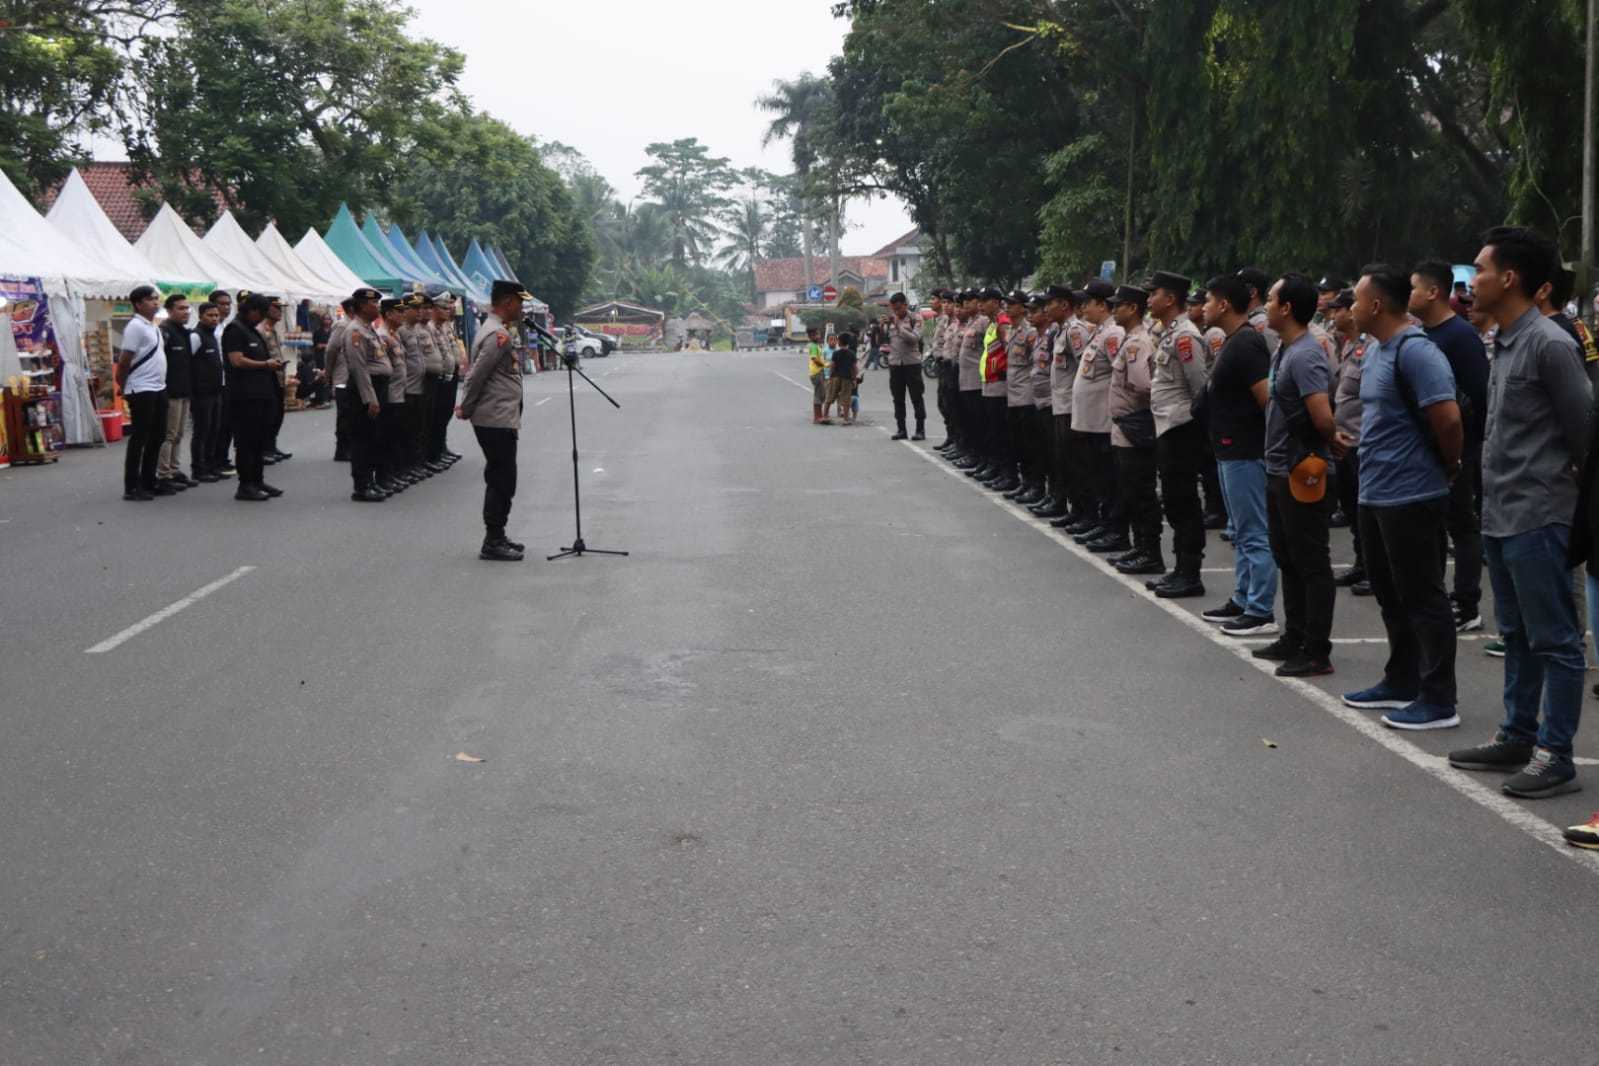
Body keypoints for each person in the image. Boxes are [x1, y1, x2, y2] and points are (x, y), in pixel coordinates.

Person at [1449, 226, 1592, 798]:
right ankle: (1518, 733)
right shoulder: (1504, 341)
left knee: (1555, 639)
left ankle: (1555, 753)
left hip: (1539, 512)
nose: (1471, 279)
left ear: (1509, 278)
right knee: (1515, 632)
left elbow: (1585, 430)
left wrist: (1568, 499)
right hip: (1502, 512)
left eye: (1479, 269)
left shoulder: (1550, 343)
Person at [1337, 264, 1465, 732]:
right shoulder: (1375, 350)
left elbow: (1448, 420)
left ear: (1375, 305)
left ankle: (1439, 697)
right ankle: (1402, 678)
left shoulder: (1416, 352)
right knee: (1390, 594)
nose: (1349, 307)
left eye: (1355, 299)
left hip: (1412, 493)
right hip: (1375, 491)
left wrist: (1449, 467)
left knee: (1423, 597)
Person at [1257, 272, 1338, 677]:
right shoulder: (1284, 349)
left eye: (1270, 299)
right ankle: (1295, 634)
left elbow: (1322, 416)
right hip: (1277, 467)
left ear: (1287, 308)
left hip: (1300, 469)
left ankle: (1316, 649)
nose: (1266, 305)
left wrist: (1328, 443)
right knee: (1287, 555)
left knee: (1310, 560)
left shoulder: (1306, 353)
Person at [1198, 274, 1278, 636]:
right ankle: (1243, 598)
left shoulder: (1247, 343)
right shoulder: (1232, 341)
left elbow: (1267, 401)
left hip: (1246, 451)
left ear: (1225, 304)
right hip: (1229, 450)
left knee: (1254, 532)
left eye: (1209, 300)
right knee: (1242, 532)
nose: (1204, 307)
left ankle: (1260, 610)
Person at [1411, 259, 1489, 632]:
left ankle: (1467, 604)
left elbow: (1478, 394)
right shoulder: (1421, 335)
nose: (1407, 295)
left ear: (1433, 292)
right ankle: (1436, 598)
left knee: (1461, 523)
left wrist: (1463, 448)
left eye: (1413, 288)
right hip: (1426, 448)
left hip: (1459, 447)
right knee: (1432, 526)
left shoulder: (1460, 336)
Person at [1147, 271, 1210, 597]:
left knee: (1183, 501)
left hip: (1181, 427)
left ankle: (1190, 572)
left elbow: (1199, 388)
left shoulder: (1186, 336)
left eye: (1153, 293)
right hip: (1168, 426)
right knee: (1172, 499)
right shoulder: (1170, 333)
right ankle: (1179, 569)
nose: (1148, 300)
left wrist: (1193, 430)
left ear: (1170, 298)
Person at [459, 281, 530, 561]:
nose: (522, 309)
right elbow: (476, 374)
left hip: (500, 416)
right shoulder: (495, 334)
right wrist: (465, 407)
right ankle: (492, 540)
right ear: (508, 302)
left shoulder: (496, 330)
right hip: (494, 418)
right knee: (502, 478)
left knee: (503, 477)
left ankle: (498, 535)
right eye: (520, 303)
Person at [1106, 284, 1160, 572]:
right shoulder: (1130, 339)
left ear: (1133, 309)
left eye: (1119, 305)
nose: (1114, 310)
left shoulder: (1138, 342)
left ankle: (1150, 553)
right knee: (1131, 490)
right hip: (1126, 425)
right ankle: (1140, 547)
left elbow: (1141, 385)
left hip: (1134, 424)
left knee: (1140, 492)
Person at [1072, 279, 1125, 551]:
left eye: (1088, 303)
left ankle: (1114, 530)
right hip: (1091, 422)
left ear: (1102, 305)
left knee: (1108, 478)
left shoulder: (1113, 334)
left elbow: (1120, 374)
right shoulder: (1099, 332)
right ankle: (1103, 525)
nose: (1083, 309)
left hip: (1103, 422)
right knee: (1098, 477)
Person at [1327, 290, 1371, 595]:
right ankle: (1361, 563)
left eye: (1338, 309)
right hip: (1344, 439)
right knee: (1352, 508)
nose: (1333, 315)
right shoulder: (1349, 346)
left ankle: (1373, 569)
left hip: (1361, 440)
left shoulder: (1369, 348)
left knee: (1365, 510)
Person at [222, 295, 283, 501]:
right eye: (261, 314)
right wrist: (266, 364)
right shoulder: (235, 330)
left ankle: (257, 480)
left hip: (260, 394)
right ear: (252, 310)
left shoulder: (251, 330)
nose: (261, 318)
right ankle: (245, 484)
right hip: (244, 396)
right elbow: (237, 361)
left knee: (259, 441)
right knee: (246, 442)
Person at [1038, 285, 1086, 524]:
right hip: (1059, 404)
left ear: (1065, 305)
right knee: (1061, 459)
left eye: (1051, 303)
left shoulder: (1075, 331)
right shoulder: (1059, 331)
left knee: (1073, 461)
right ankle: (1064, 504)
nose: (1046, 307)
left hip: (1070, 406)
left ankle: (1078, 510)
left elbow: (1084, 369)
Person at [117, 285, 168, 501]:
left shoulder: (153, 326)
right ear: (138, 304)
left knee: (158, 436)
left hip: (158, 387)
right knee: (140, 437)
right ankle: (132, 486)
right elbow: (124, 360)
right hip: (141, 388)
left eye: (157, 299)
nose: (156, 302)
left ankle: (149, 480)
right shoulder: (135, 327)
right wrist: (124, 385)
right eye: (150, 299)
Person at [342, 288, 390, 502]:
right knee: (362, 440)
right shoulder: (355, 331)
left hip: (377, 387)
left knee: (374, 438)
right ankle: (361, 486)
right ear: (362, 306)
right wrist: (370, 398)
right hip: (365, 390)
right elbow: (359, 368)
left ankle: (369, 481)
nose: (378, 307)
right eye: (374, 304)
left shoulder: (368, 329)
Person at [1189, 288, 1229, 529]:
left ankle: (1217, 509)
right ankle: (1213, 507)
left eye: (1200, 303)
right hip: (1208, 401)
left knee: (1211, 463)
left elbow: (1210, 368)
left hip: (1212, 402)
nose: (1196, 308)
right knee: (1206, 463)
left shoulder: (1214, 333)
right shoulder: (1202, 331)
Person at [1001, 291, 1039, 499]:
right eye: (1007, 303)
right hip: (1013, 393)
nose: (1008, 306)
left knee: (1029, 444)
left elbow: (1036, 363)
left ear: (1023, 308)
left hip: (1026, 394)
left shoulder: (1029, 332)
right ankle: (1024, 482)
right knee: (1017, 442)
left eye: (1013, 303)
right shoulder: (1011, 330)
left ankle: (1034, 485)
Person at [156, 294, 196, 490]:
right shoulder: (165, 332)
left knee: (179, 433)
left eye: (187, 308)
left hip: (184, 390)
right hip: (170, 392)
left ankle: (173, 469)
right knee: (169, 434)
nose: (186, 312)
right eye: (181, 308)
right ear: (170, 311)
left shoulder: (184, 332)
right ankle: (163, 474)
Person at [189, 302, 225, 482]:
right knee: (202, 430)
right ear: (201, 316)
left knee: (214, 429)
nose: (214, 319)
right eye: (210, 315)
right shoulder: (196, 336)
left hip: (216, 391)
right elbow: (188, 362)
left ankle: (211, 465)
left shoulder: (212, 336)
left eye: (216, 316)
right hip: (201, 393)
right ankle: (198, 469)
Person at [885, 293, 927, 440]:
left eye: (898, 308)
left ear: (905, 304)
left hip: (912, 364)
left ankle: (920, 429)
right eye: (893, 309)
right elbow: (886, 341)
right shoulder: (890, 320)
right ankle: (901, 429)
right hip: (895, 364)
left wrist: (898, 326)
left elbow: (915, 338)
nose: (896, 312)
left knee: (916, 397)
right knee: (897, 398)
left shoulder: (916, 318)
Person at [430, 295, 464, 466]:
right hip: (439, 376)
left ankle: (441, 448)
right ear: (434, 309)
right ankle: (433, 453)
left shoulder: (445, 326)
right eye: (445, 307)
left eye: (450, 306)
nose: (450, 310)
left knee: (445, 413)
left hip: (450, 373)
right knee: (437, 416)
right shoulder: (431, 328)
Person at [259, 297, 292, 465]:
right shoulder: (261, 329)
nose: (280, 311)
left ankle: (272, 446)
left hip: (278, 376)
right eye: (276, 308)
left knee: (278, 414)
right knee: (268, 416)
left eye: (281, 308)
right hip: (267, 377)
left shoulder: (273, 329)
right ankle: (265, 449)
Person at [208, 290, 236, 476]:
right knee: (214, 426)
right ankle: (212, 461)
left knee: (227, 424)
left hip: (229, 381)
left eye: (228, 304)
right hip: (215, 383)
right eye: (222, 304)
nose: (225, 307)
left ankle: (222, 458)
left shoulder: (228, 326)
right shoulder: (211, 330)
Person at [829, 332, 858, 424]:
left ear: (839, 342)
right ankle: (845, 419)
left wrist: (830, 376)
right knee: (846, 399)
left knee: (830, 396)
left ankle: (825, 414)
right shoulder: (852, 353)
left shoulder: (835, 353)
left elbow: (832, 366)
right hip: (847, 379)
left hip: (836, 378)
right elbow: (854, 368)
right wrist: (854, 379)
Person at [806, 326, 830, 424]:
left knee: (821, 394)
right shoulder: (813, 346)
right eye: (817, 334)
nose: (819, 336)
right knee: (819, 395)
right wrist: (825, 365)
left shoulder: (815, 345)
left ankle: (819, 416)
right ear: (812, 336)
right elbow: (815, 359)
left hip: (819, 371)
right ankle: (817, 417)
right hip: (816, 372)